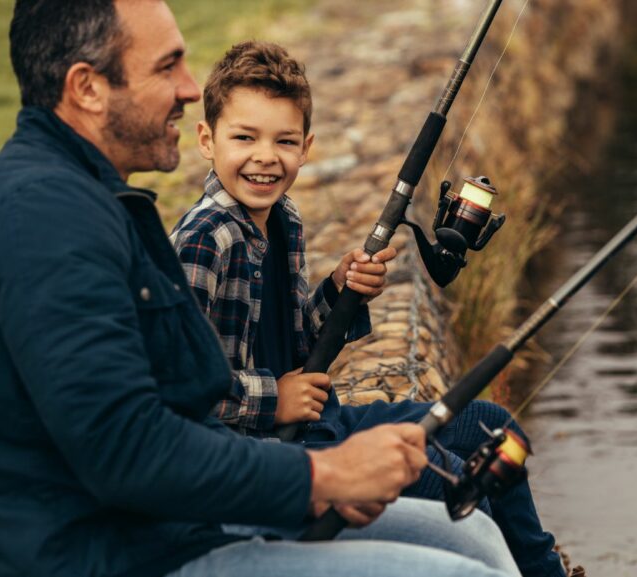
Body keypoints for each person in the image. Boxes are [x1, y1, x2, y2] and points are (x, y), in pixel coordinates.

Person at [0, 2, 520, 576]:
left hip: (158, 525)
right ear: (88, 88)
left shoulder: (89, 201)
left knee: (475, 542)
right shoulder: (41, 218)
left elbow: (175, 402)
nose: (190, 88)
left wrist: (304, 465)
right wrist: (321, 473)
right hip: (90, 555)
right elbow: (128, 447)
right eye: (167, 66)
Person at [170, 40, 566, 577]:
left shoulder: (282, 216)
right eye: (245, 137)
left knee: (494, 429)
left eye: (284, 141)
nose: (265, 156)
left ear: (306, 146)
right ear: (206, 141)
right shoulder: (203, 242)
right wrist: (274, 399)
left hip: (319, 424)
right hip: (264, 457)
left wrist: (339, 290)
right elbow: (181, 391)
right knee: (441, 473)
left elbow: (297, 345)